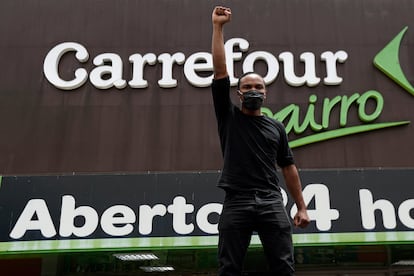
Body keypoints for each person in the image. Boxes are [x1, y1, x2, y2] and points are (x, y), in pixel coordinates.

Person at [211, 6, 310, 276]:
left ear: (265, 94)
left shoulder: (276, 127)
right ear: (239, 94)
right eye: (247, 87)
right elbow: (220, 72)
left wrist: (301, 206)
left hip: (271, 201)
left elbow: (288, 167)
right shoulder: (229, 117)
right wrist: (218, 27)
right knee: (229, 267)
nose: (253, 90)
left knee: (284, 267)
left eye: (258, 87)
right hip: (237, 201)